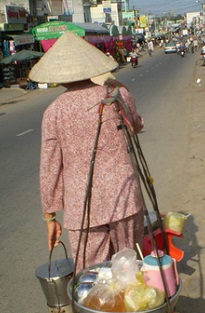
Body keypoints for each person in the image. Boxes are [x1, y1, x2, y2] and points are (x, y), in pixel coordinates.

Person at [29, 31, 145, 273]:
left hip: (82, 205)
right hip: (123, 195)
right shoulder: (116, 93)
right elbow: (135, 126)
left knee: (92, 278)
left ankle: (91, 312)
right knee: (129, 270)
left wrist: (50, 217)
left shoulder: (53, 112)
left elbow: (50, 168)